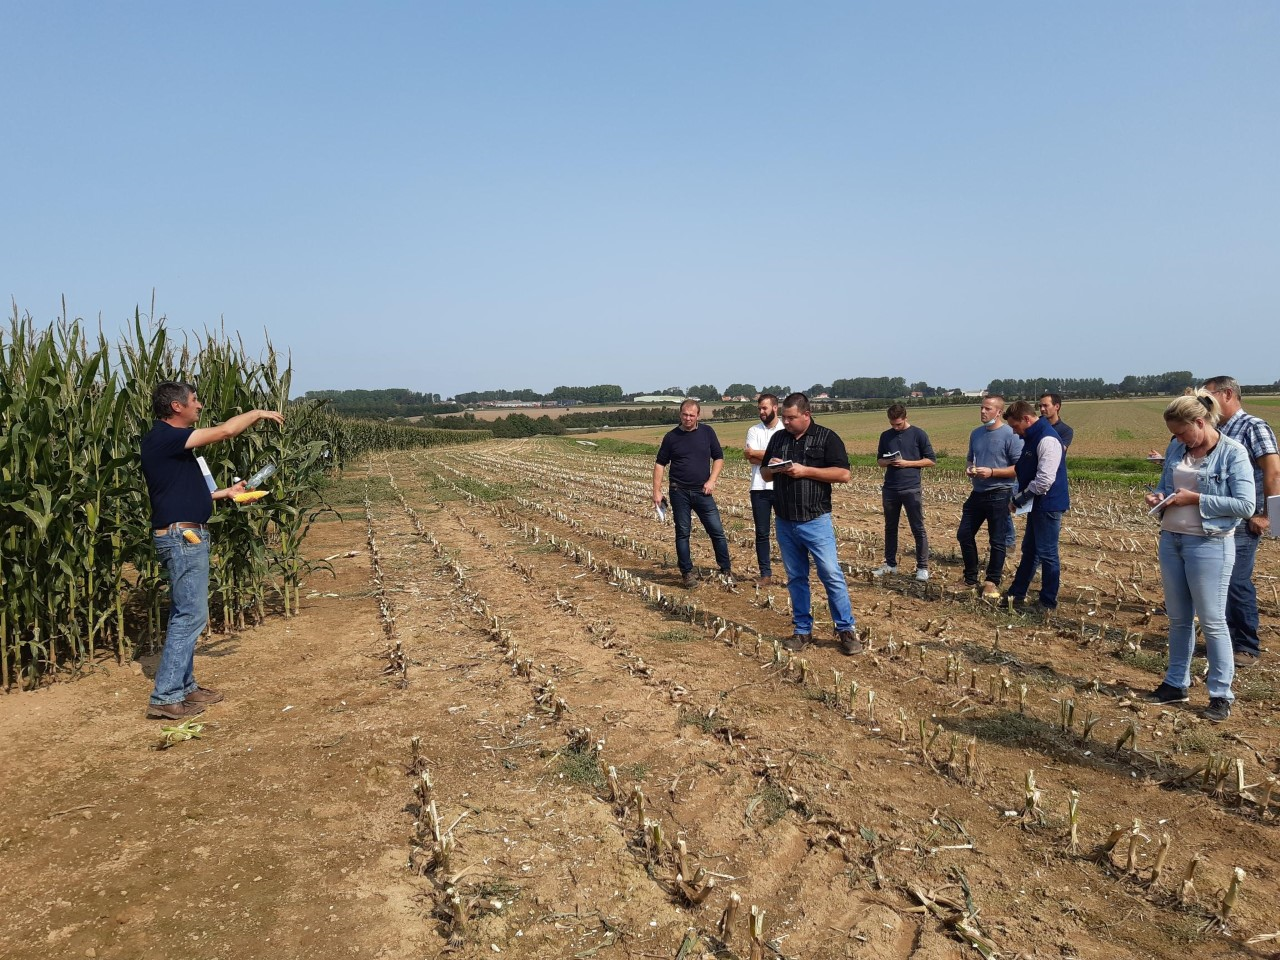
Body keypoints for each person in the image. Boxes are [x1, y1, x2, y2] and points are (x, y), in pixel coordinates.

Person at [141, 382, 285, 720]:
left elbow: (178, 492)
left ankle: (186, 687)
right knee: (189, 616)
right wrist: (258, 412)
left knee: (187, 612)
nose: (200, 405)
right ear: (176, 407)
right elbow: (225, 432)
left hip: (185, 533)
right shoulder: (165, 437)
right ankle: (165, 696)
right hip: (182, 537)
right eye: (194, 400)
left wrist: (225, 493)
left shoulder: (169, 445)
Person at [1144, 392, 1254, 723]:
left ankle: (1221, 693)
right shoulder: (1177, 447)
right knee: (1178, 618)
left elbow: (1246, 506)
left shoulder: (1233, 454)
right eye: (1174, 434)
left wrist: (1197, 498)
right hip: (1172, 540)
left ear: (1199, 422)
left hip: (1210, 544)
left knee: (1212, 620)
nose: (1177, 440)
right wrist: (1159, 496)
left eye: (1181, 432)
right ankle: (1176, 683)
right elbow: (1167, 484)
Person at [762, 394, 859, 654]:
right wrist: (773, 468)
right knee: (796, 578)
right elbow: (763, 473)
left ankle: (846, 630)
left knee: (830, 574)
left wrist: (806, 471)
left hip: (815, 520)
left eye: (791, 417)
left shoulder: (827, 437)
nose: (786, 421)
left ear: (807, 414)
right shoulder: (778, 438)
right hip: (784, 521)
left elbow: (843, 474)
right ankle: (802, 631)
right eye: (784, 416)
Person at [1200, 376, 1279, 667]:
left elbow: (1273, 472)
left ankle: (1247, 646)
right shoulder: (1216, 429)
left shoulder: (1252, 427)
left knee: (1235, 581)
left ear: (1228, 394)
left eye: (1207, 396)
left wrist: (1268, 516)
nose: (1203, 403)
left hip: (1245, 519)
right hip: (1219, 518)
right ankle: (1224, 641)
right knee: (1216, 581)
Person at [653, 399, 733, 587]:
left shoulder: (707, 433)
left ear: (698, 415)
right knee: (682, 533)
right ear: (680, 414)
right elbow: (660, 464)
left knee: (717, 532)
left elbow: (719, 458)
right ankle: (687, 573)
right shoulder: (671, 437)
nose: (688, 418)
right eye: (684, 414)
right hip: (678, 491)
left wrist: (712, 480)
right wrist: (656, 491)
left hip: (703, 492)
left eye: (691, 415)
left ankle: (726, 569)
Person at [1003, 400, 1068, 610]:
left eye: (1015, 426)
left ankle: (1047, 602)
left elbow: (1044, 481)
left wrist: (1019, 499)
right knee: (1030, 550)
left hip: (1048, 505)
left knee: (1047, 554)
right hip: (1036, 505)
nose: (1014, 432)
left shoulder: (1047, 439)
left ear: (1026, 419)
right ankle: (1016, 593)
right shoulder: (1032, 437)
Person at [957, 395, 1023, 598]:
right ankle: (970, 578)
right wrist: (970, 469)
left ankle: (992, 581)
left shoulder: (1010, 435)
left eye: (987, 409)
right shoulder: (976, 434)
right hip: (977, 492)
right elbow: (970, 459)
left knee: (997, 539)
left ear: (999, 412)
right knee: (964, 534)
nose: (983, 412)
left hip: (1000, 492)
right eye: (981, 408)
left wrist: (992, 472)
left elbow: (1019, 468)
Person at [873, 404, 935, 581]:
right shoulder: (885, 436)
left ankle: (922, 567)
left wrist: (908, 463)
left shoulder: (919, 434)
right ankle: (890, 565)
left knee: (918, 528)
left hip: (911, 488)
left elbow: (931, 460)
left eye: (898, 424)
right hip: (890, 488)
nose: (895, 427)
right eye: (893, 424)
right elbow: (879, 460)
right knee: (890, 528)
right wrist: (888, 461)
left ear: (906, 418)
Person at [744, 393, 785, 587]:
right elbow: (750, 457)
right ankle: (765, 574)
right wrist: (772, 456)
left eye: (765, 408)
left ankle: (793, 573)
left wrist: (759, 454)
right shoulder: (753, 430)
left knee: (787, 531)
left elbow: (785, 457)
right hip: (759, 488)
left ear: (775, 408)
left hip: (782, 486)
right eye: (759, 408)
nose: (761, 411)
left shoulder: (785, 429)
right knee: (761, 533)